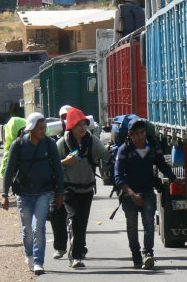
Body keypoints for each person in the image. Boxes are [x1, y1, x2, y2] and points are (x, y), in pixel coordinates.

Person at [2, 112, 65, 276]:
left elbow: (58, 168)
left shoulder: (49, 144)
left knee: (39, 227)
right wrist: (4, 194)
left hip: (44, 192)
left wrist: (60, 192)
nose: (43, 130)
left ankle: (38, 262)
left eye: (45, 127)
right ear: (31, 128)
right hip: (23, 193)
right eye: (40, 127)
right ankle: (29, 255)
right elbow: (9, 171)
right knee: (27, 229)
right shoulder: (19, 145)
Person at [114, 117, 181, 269]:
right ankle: (136, 255)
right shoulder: (124, 150)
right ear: (130, 134)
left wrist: (174, 178)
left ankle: (148, 254)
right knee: (132, 227)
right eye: (136, 134)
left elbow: (161, 164)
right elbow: (118, 177)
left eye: (142, 132)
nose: (140, 136)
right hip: (128, 195)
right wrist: (132, 194)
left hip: (147, 192)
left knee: (149, 225)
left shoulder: (153, 145)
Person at [56, 108, 111, 268]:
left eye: (84, 124)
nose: (82, 128)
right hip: (68, 190)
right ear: (71, 127)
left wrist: (119, 151)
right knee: (74, 220)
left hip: (86, 189)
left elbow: (105, 155)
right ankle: (75, 257)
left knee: (82, 222)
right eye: (78, 125)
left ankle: (78, 250)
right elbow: (52, 165)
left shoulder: (92, 141)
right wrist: (64, 162)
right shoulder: (62, 144)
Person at [48, 105, 72, 260]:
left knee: (76, 219)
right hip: (56, 185)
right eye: (63, 117)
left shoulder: (82, 138)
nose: (66, 120)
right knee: (56, 215)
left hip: (74, 184)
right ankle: (60, 247)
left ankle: (77, 248)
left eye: (68, 117)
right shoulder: (52, 140)